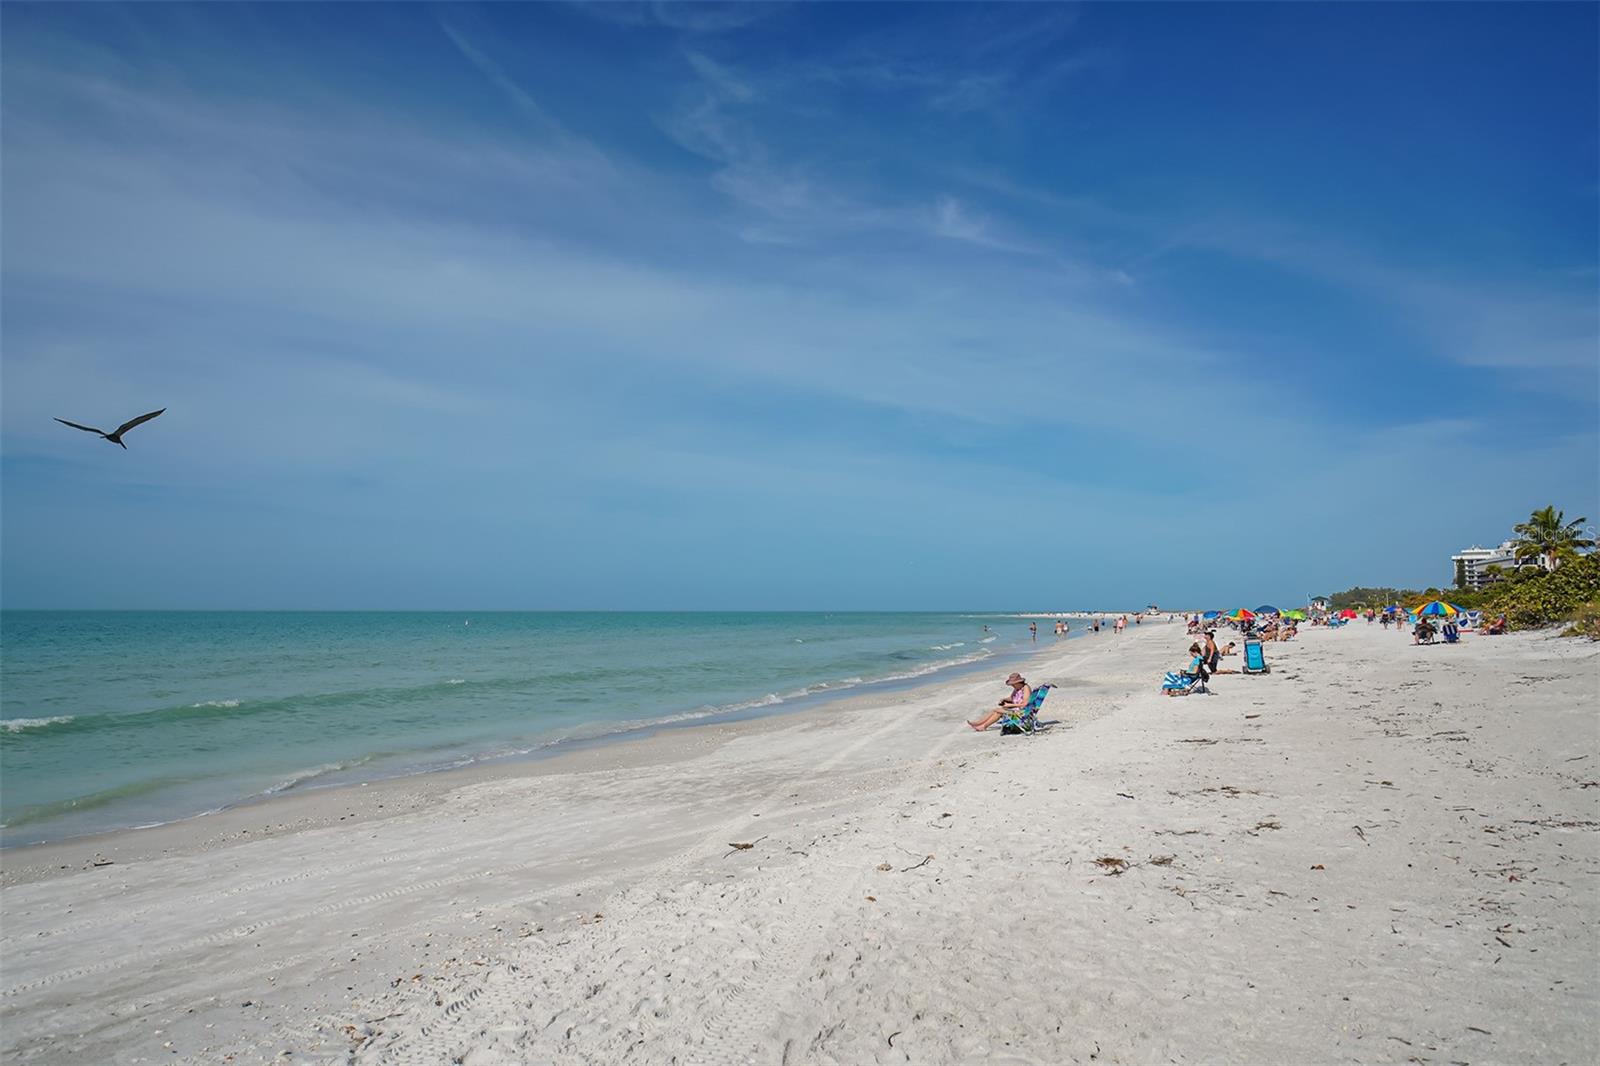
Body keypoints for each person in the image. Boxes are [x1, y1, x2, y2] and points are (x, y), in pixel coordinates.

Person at [968, 672, 1032, 731]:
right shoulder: (1017, 689)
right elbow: (1012, 698)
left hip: (1022, 713)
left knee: (997, 710)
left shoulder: (1025, 688)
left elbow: (1025, 704)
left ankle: (980, 724)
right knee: (997, 712)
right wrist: (1004, 699)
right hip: (1017, 710)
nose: (1012, 686)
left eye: (1013, 684)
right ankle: (982, 725)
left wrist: (1010, 705)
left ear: (1018, 682)